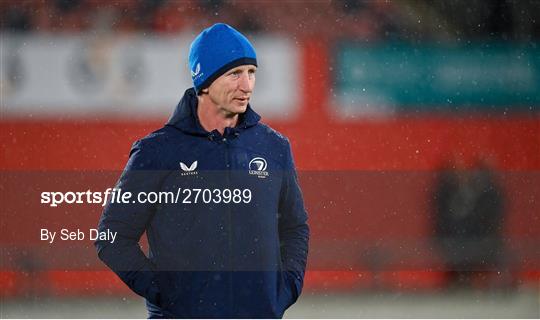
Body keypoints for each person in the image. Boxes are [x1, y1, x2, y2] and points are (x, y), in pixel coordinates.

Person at [94, 23, 309, 318]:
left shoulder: (273, 147)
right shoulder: (156, 152)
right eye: (235, 74)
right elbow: (112, 237)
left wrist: (287, 288)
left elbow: (295, 227)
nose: (246, 86)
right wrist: (166, 293)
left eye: (251, 73)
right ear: (204, 80)